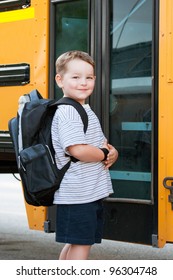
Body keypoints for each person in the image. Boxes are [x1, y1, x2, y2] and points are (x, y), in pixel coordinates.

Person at [51, 50, 118, 260]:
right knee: (81, 244)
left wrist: (110, 151)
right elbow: (77, 150)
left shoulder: (84, 109)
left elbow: (98, 144)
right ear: (60, 80)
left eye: (88, 77)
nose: (83, 82)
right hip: (78, 193)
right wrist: (104, 153)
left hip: (86, 191)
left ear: (95, 79)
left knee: (76, 241)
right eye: (76, 77)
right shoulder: (68, 111)